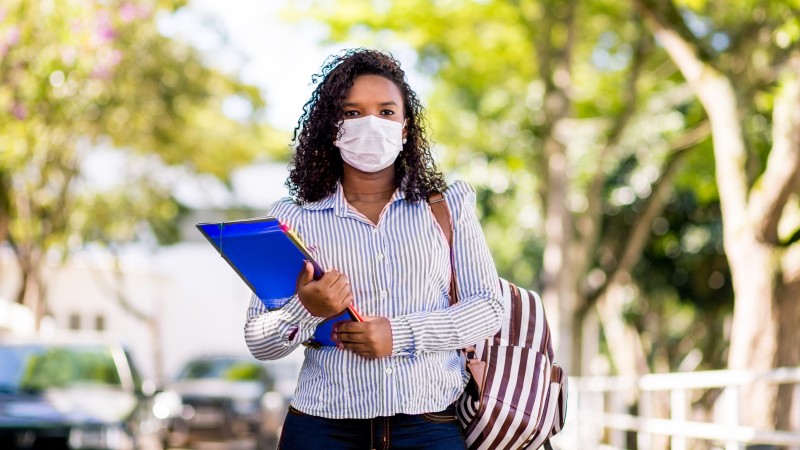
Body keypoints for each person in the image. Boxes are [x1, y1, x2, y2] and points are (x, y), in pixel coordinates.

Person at [244, 48, 503, 449]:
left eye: (386, 112)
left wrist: (400, 334)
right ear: (333, 128)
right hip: (323, 428)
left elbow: (488, 307)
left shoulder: (447, 206)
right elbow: (260, 341)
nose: (371, 124)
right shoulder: (293, 218)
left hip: (429, 424)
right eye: (352, 113)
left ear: (404, 127)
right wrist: (305, 309)